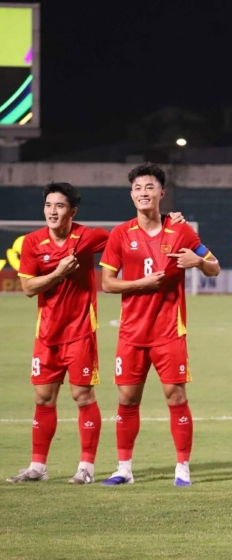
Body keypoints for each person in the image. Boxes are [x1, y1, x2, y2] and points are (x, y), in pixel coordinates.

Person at [99, 163, 220, 487]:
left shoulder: (181, 231)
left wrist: (199, 261)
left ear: (161, 193)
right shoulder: (120, 234)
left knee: (176, 397)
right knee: (127, 399)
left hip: (169, 332)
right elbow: (107, 283)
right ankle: (124, 469)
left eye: (149, 187)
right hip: (131, 332)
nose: (143, 193)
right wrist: (140, 284)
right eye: (138, 188)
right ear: (131, 195)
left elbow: (215, 267)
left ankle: (182, 468)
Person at [6, 183, 108, 485]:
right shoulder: (32, 242)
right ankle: (37, 467)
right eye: (48, 205)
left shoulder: (87, 236)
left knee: (83, 396)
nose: (52, 211)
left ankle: (86, 468)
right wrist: (57, 273)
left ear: (72, 211)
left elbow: (129, 235)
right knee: (43, 398)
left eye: (59, 206)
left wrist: (166, 219)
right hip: (47, 334)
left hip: (80, 332)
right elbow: (28, 288)